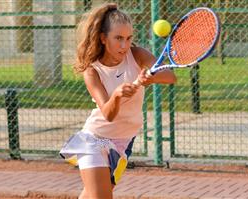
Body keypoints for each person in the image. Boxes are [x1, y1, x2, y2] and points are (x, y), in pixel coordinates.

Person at [60, 3, 177, 199]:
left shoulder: (137, 54)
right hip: (96, 139)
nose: (124, 45)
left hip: (124, 141)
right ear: (103, 38)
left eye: (129, 38)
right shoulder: (92, 71)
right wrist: (117, 95)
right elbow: (108, 114)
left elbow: (170, 76)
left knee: (92, 194)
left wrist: (153, 77)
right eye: (119, 38)